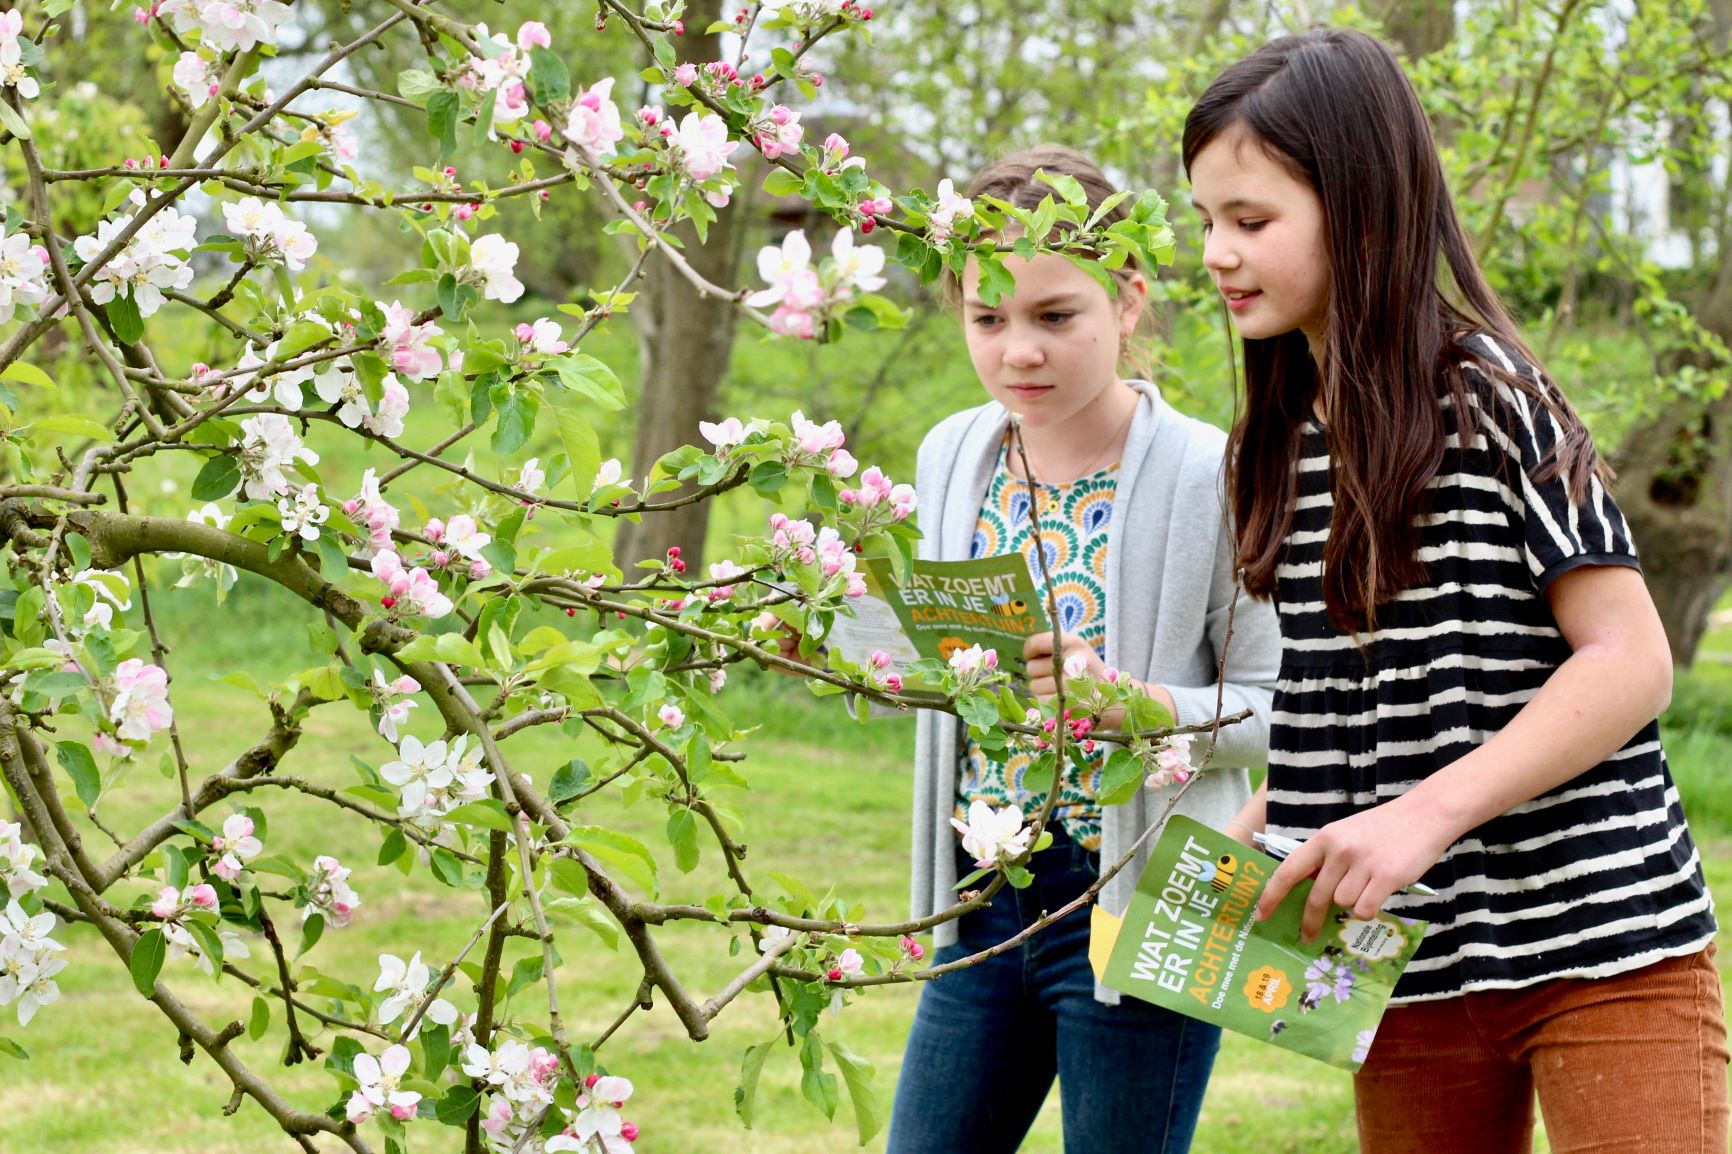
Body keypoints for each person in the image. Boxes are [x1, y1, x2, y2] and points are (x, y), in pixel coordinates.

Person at [1184, 29, 1728, 1154]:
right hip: (1401, 969)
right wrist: (1251, 846)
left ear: (1363, 208)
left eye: (1251, 221)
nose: (1217, 255)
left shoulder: (1488, 393)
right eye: (1204, 222)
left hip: (1601, 939)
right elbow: (1345, 694)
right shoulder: (1272, 443)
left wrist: (1422, 815)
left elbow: (1629, 661)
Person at [884, 145, 1280, 1154]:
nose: (1019, 350)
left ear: (1130, 301)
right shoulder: (948, 455)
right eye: (988, 318)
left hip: (1142, 902)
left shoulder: (1214, 472)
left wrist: (1137, 703)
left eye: (1055, 317)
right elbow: (937, 662)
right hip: (981, 901)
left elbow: (1288, 702)